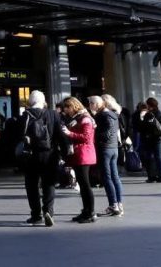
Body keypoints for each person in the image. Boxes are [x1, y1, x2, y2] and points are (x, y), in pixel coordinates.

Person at [19, 90, 67, 226]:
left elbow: (18, 137)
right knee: (49, 183)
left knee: (31, 185)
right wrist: (64, 153)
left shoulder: (24, 116)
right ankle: (48, 211)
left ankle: (35, 214)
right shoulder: (53, 114)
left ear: (30, 101)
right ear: (43, 101)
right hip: (50, 154)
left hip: (30, 155)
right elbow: (61, 135)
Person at [59, 96, 96, 223]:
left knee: (85, 185)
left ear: (73, 106)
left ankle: (90, 212)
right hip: (78, 153)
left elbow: (86, 137)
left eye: (67, 107)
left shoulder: (85, 118)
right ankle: (86, 210)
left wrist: (69, 133)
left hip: (84, 154)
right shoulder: (77, 118)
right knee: (82, 184)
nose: (66, 110)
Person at [88, 94, 125, 216]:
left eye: (91, 104)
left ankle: (113, 204)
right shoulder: (113, 114)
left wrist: (95, 131)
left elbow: (106, 133)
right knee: (114, 176)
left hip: (105, 148)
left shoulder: (102, 115)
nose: (90, 106)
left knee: (107, 177)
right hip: (114, 147)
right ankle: (119, 203)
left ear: (96, 104)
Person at [137, 102, 161, 183]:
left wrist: (141, 118)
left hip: (149, 139)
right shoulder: (159, 113)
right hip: (158, 139)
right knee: (158, 158)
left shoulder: (146, 115)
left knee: (149, 158)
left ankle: (151, 176)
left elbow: (141, 128)